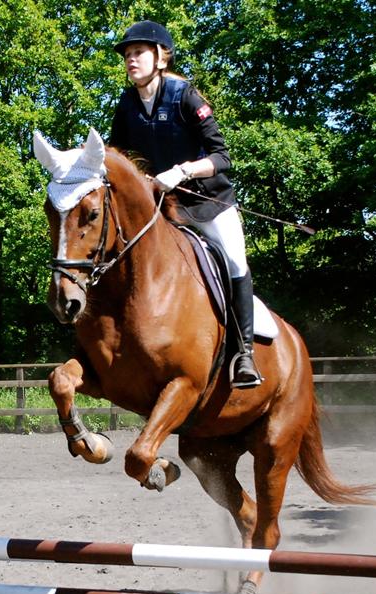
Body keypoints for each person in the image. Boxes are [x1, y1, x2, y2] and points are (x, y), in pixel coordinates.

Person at [108, 20, 261, 388]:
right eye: (128, 55)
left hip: (208, 202)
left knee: (235, 260)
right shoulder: (127, 105)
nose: (131, 60)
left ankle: (245, 354)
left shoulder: (185, 95)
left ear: (161, 57)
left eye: (138, 53)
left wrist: (182, 171)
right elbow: (117, 156)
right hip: (162, 207)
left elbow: (222, 157)